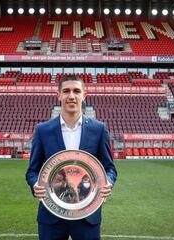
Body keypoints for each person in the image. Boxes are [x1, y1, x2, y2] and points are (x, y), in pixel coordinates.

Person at [25, 75, 117, 240]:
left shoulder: (99, 129)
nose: (71, 96)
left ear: (84, 95)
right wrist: (35, 184)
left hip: (87, 214)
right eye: (66, 91)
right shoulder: (43, 130)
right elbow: (32, 171)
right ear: (59, 95)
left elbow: (109, 168)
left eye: (76, 91)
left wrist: (107, 181)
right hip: (51, 214)